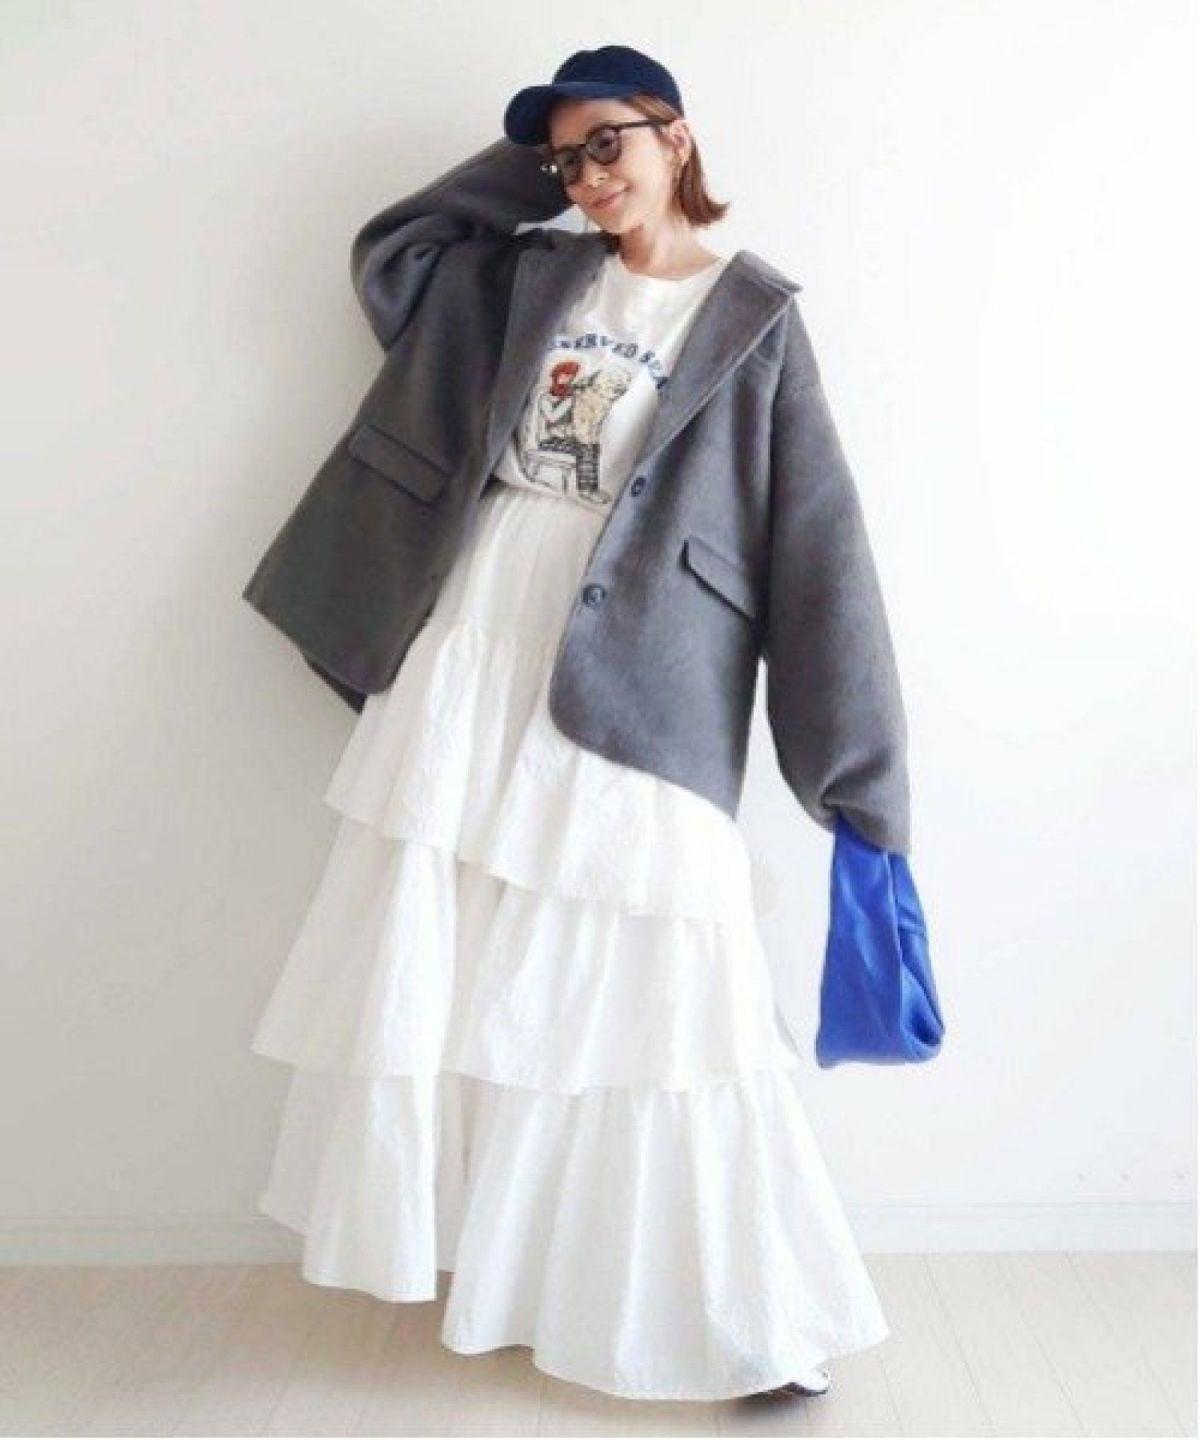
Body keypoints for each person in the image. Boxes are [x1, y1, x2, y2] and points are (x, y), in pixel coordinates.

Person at [247, 44, 917, 1404]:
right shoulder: (521, 275)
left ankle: (749, 1319)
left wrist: (860, 778)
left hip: (644, 673)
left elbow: (818, 550)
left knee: (666, 992)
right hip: (479, 634)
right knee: (476, 968)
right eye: (566, 159)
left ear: (681, 136)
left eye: (611, 144)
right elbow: (394, 256)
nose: (589, 176)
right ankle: (510, 1276)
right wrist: (541, 168)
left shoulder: (757, 320)